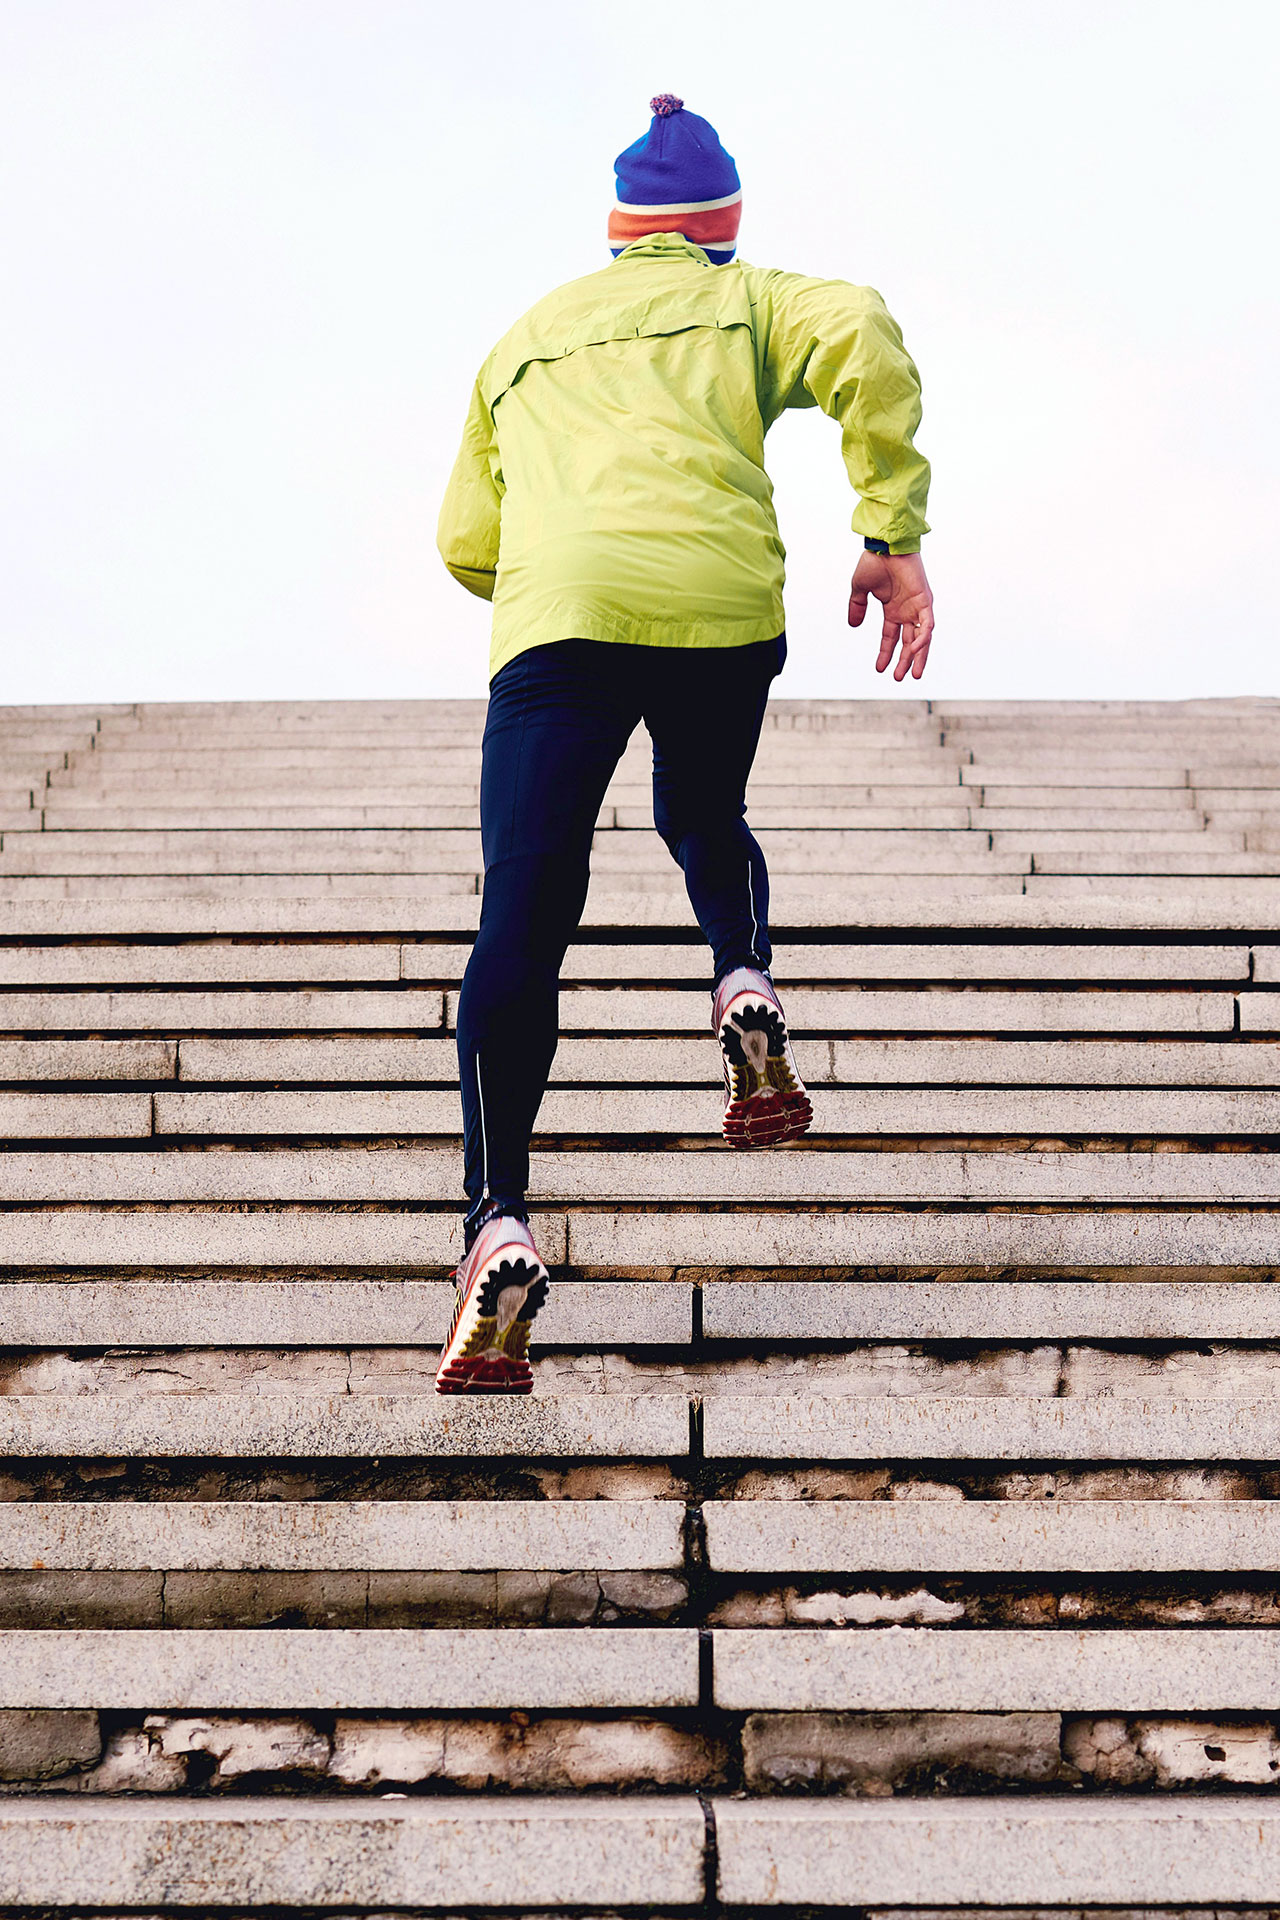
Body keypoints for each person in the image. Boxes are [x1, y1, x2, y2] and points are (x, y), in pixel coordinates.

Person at [434, 95, 933, 1393]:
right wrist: (889, 528)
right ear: (722, 226)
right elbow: (863, 329)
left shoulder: (524, 338)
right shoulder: (748, 298)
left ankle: (496, 1215)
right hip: (716, 608)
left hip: (560, 624)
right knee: (702, 815)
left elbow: (463, 542)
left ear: (616, 230)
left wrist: (562, 565)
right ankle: (742, 981)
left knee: (527, 907)